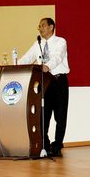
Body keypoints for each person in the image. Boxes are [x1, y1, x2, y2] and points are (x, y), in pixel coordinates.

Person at [19, 17, 70, 158]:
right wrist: (15, 64)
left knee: (60, 116)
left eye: (43, 25)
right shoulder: (38, 43)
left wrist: (48, 66)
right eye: (39, 26)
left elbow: (57, 57)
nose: (40, 28)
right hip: (44, 82)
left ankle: (57, 146)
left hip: (58, 81)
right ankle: (45, 145)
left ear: (51, 27)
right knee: (43, 115)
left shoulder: (60, 41)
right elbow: (27, 58)